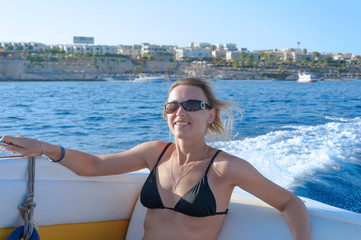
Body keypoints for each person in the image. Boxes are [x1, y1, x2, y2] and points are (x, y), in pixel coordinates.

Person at [0, 78, 311, 240]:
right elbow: (95, 166)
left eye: (192, 105)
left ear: (210, 114)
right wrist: (42, 146)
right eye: (173, 106)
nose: (181, 113)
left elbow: (290, 204)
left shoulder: (225, 167)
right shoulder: (155, 153)